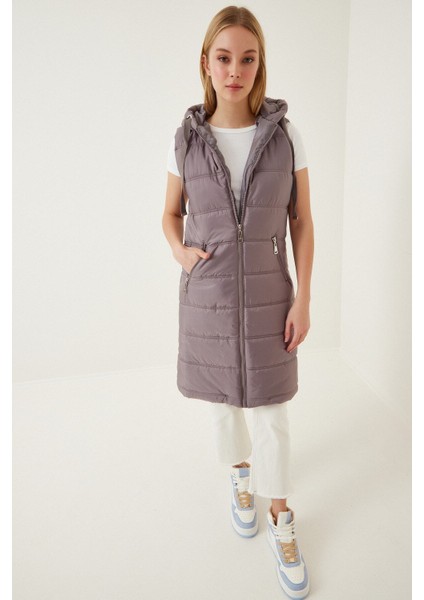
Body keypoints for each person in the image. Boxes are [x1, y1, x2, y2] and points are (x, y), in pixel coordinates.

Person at [162, 6, 313, 599]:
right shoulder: (184, 140)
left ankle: (281, 515)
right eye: (223, 58)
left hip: (272, 294)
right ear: (206, 62)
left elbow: (302, 221)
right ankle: (240, 475)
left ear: (259, 64)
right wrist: (180, 252)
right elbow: (169, 214)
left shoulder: (285, 135)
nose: (235, 70)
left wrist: (304, 296)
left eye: (247, 59)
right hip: (211, 296)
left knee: (273, 410)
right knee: (223, 404)